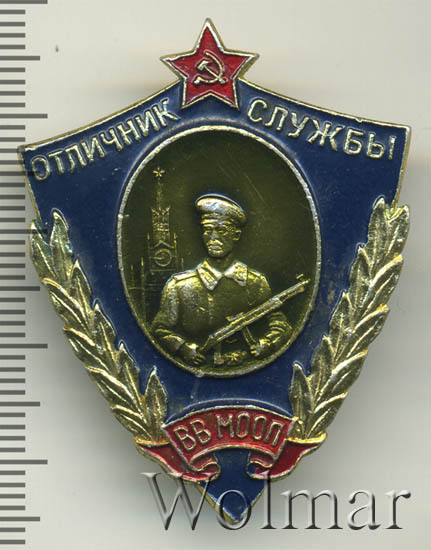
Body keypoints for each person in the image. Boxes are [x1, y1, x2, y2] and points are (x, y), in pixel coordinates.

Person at [151, 194, 291, 367]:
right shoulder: (180, 286)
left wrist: (268, 344)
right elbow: (159, 329)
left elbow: (281, 326)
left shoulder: (257, 283)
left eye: (221, 230)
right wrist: (182, 348)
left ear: (236, 235)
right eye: (207, 230)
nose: (213, 238)